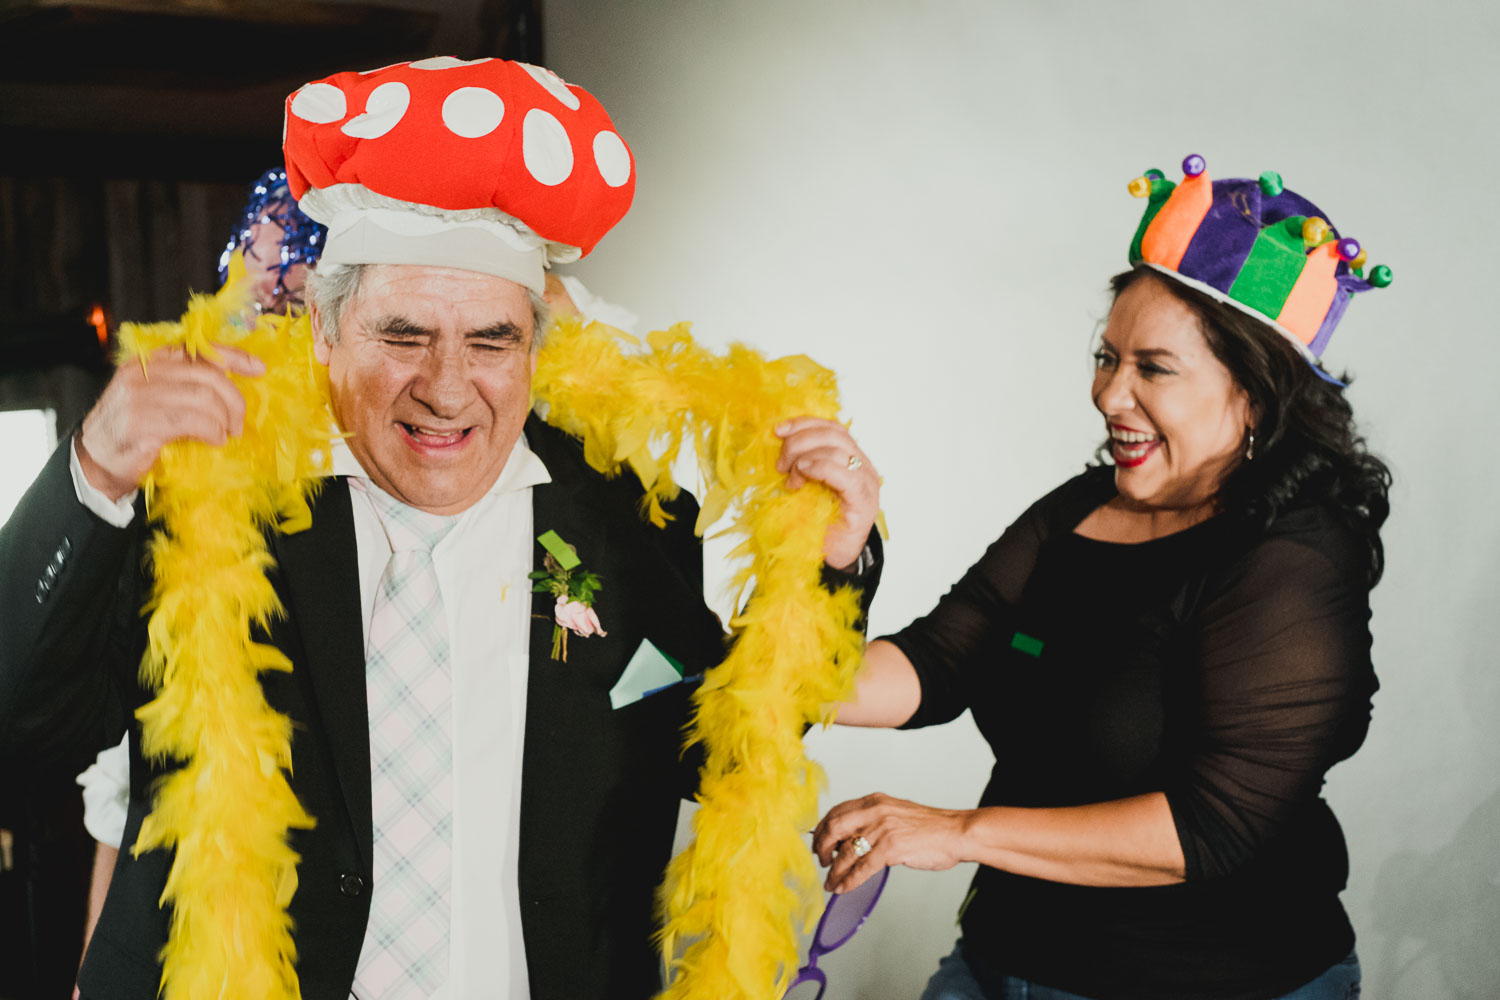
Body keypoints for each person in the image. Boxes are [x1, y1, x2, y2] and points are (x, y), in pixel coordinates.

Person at [0, 57, 881, 1000]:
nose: (449, 388)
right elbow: (23, 735)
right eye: (404, 335)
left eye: (492, 341)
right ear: (327, 337)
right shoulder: (207, 500)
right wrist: (93, 473)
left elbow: (717, 748)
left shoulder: (622, 513)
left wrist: (827, 570)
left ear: (539, 349)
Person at [812, 156, 1392, 1000]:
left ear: (1255, 397)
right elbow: (936, 664)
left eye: (1152, 368)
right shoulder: (1084, 509)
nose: (1108, 394)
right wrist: (836, 559)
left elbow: (1212, 827)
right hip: (1002, 961)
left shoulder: (1294, 562)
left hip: (1215, 980)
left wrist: (959, 832)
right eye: (1107, 356)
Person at [69, 168, 328, 997]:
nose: (263, 316)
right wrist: (90, 975)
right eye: (249, 282)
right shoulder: (177, 482)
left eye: (290, 293)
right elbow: (133, 796)